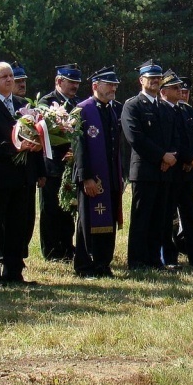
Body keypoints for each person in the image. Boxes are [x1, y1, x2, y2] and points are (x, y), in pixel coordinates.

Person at [0, 62, 45, 285]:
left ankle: (14, 273)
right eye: (3, 76)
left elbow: (38, 136)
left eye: (11, 76)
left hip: (23, 176)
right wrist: (15, 147)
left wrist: (38, 159)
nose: (9, 80)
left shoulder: (24, 105)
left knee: (18, 226)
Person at [121, 60, 180, 271]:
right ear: (141, 80)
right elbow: (135, 138)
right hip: (144, 171)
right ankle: (138, 261)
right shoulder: (133, 105)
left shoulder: (164, 107)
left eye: (158, 78)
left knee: (160, 218)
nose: (155, 81)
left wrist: (169, 157)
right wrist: (161, 156)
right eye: (151, 77)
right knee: (142, 217)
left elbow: (174, 135)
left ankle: (155, 260)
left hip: (165, 171)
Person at [73, 67, 123, 278]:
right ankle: (85, 266)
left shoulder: (113, 110)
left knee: (108, 222)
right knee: (87, 221)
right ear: (95, 86)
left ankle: (103, 263)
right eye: (109, 85)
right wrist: (86, 177)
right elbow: (79, 147)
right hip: (91, 177)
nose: (113, 89)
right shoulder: (82, 110)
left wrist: (119, 175)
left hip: (110, 177)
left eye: (115, 85)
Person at [161, 70, 193, 267]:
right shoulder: (163, 110)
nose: (181, 91)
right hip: (172, 170)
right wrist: (187, 157)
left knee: (191, 214)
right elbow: (172, 140)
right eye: (176, 88)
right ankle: (169, 257)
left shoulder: (187, 110)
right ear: (164, 91)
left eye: (182, 88)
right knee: (169, 217)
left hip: (188, 171)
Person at [38, 64, 82, 261]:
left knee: (68, 206)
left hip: (72, 164)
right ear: (58, 81)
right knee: (50, 208)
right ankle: (51, 250)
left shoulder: (78, 103)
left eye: (77, 83)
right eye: (71, 82)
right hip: (52, 164)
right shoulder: (47, 102)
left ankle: (67, 246)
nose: (74, 86)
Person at [10, 61, 44, 257]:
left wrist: (41, 171)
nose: (22, 84)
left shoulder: (29, 106)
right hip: (8, 170)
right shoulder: (0, 105)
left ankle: (22, 250)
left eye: (24, 80)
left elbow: (39, 142)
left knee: (27, 215)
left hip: (29, 171)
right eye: (18, 81)